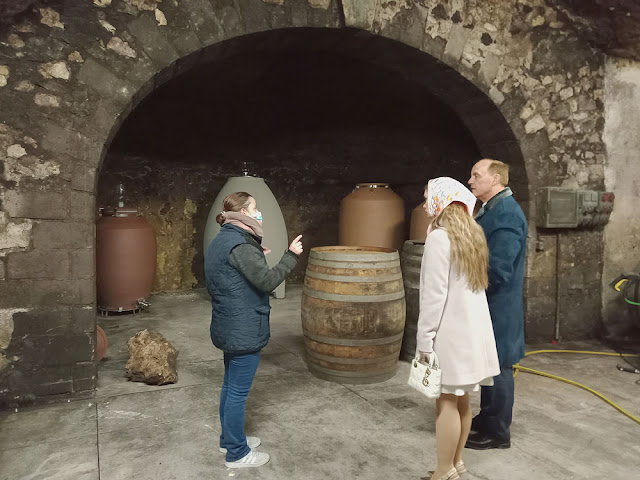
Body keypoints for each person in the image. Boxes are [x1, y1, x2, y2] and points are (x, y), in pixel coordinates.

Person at [204, 191, 303, 468]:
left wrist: (256, 253)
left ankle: (229, 439)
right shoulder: (241, 246)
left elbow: (235, 271)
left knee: (230, 385)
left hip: (228, 324)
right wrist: (290, 256)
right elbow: (266, 280)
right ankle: (237, 453)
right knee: (237, 391)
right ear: (245, 214)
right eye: (255, 209)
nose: (259, 213)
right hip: (243, 327)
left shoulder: (224, 239)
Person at [417, 177, 500, 480]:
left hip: (450, 334)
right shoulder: (472, 233)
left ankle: (442, 471)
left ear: (440, 200)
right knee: (463, 399)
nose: (425, 203)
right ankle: (456, 463)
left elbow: (433, 296)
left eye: (428, 197)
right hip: (473, 332)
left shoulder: (440, 237)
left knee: (446, 403)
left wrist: (425, 340)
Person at [465, 158, 528, 450]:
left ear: (496, 179)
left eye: (477, 176)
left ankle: (498, 433)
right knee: (490, 365)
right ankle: (487, 419)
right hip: (488, 303)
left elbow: (499, 269)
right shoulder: (492, 209)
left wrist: (463, 277)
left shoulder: (506, 215)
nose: (470, 181)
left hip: (499, 306)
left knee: (500, 367)